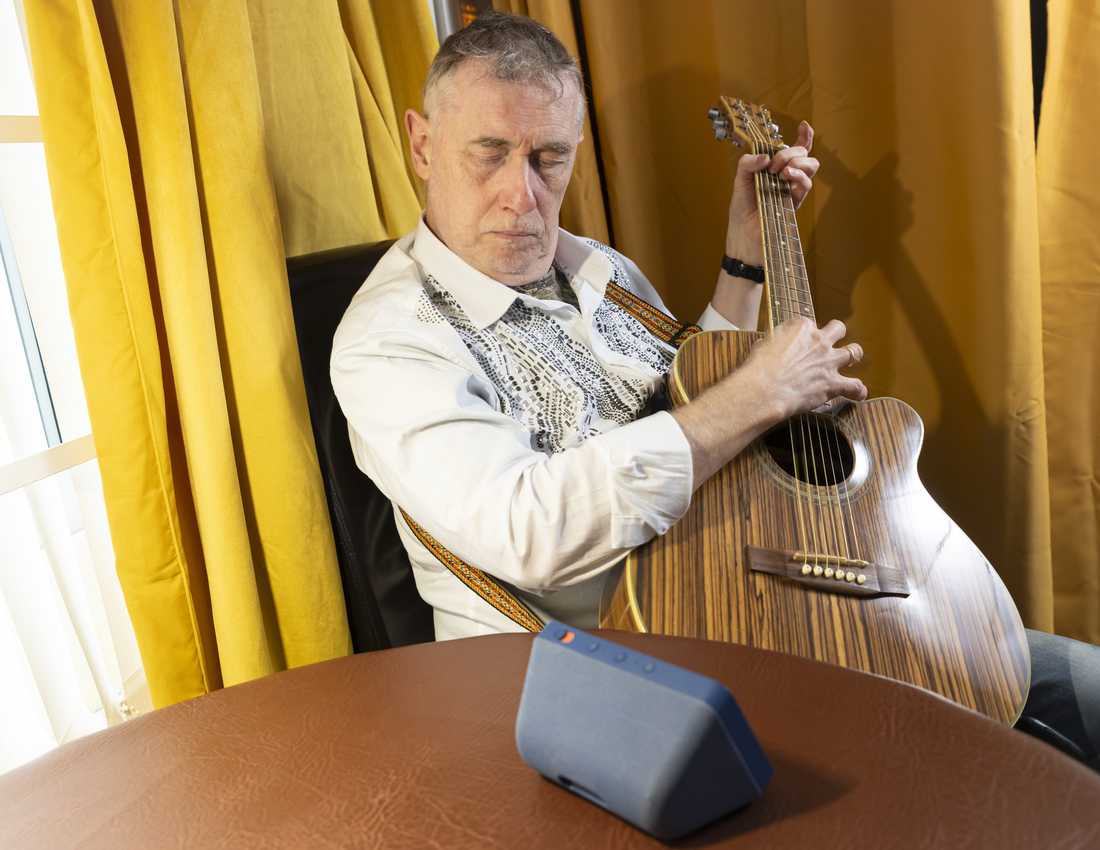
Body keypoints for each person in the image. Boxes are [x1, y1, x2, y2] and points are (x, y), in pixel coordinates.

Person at [331, 12, 1098, 768]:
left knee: (1073, 687)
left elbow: (682, 389)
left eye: (549, 158)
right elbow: (527, 530)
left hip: (741, 591)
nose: (522, 194)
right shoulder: (392, 339)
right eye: (489, 154)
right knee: (966, 764)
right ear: (424, 144)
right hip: (607, 673)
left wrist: (744, 263)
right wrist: (762, 393)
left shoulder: (597, 268)